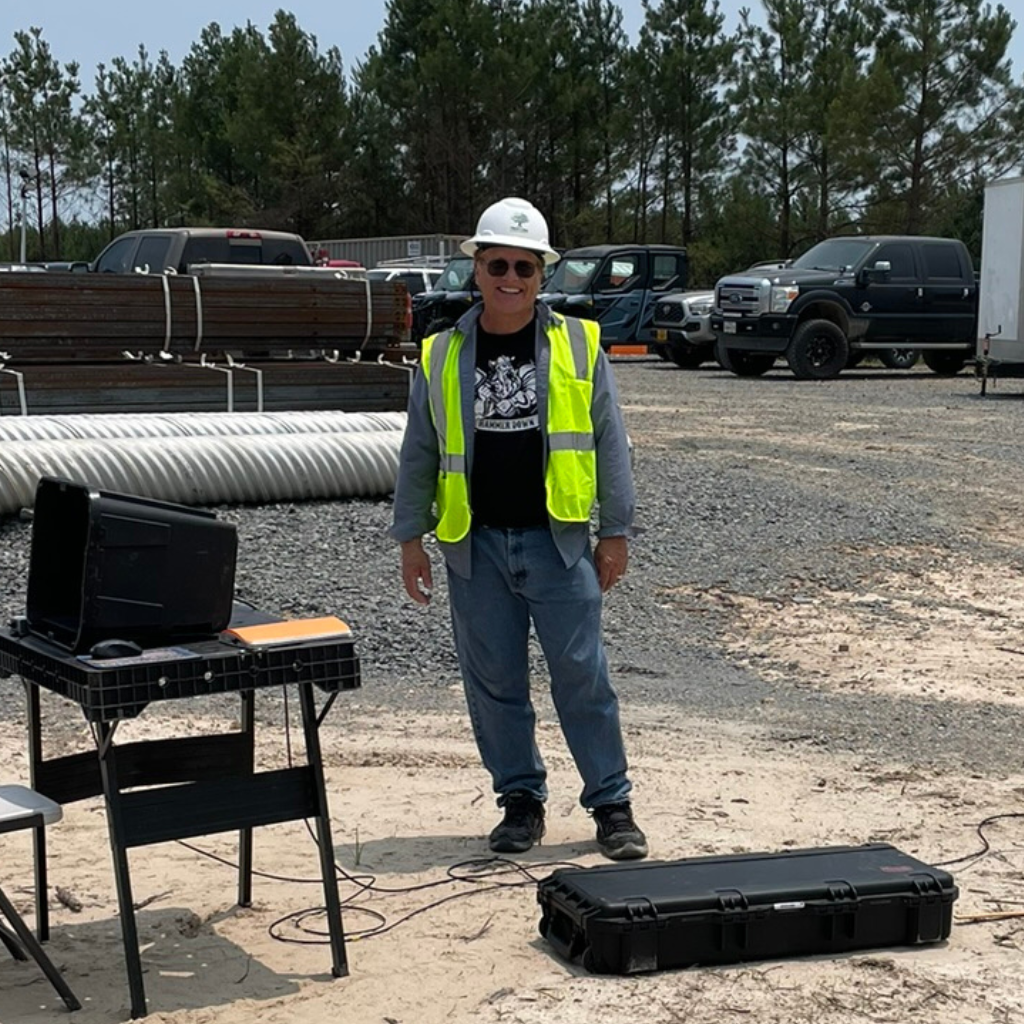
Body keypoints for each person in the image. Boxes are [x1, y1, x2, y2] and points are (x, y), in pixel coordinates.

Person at [390, 196, 647, 860]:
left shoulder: (580, 346)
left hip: (557, 543)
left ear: (543, 275)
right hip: (474, 548)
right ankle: (520, 802)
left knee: (582, 676)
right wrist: (410, 538)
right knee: (495, 683)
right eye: (497, 263)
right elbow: (419, 451)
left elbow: (609, 442)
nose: (510, 278)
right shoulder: (441, 354)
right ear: (476, 268)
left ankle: (612, 805)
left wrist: (615, 530)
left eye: (524, 267)